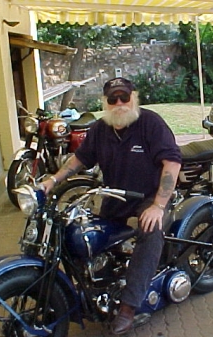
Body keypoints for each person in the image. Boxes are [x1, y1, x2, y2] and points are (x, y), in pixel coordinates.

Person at [41, 77, 182, 335]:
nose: (119, 103)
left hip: (149, 198)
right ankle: (99, 285)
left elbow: (171, 163)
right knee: (90, 235)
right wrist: (53, 179)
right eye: (112, 99)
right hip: (116, 196)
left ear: (133, 98)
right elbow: (79, 160)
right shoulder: (100, 129)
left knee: (149, 231)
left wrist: (158, 206)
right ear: (105, 102)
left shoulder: (150, 123)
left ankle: (129, 306)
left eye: (124, 97)